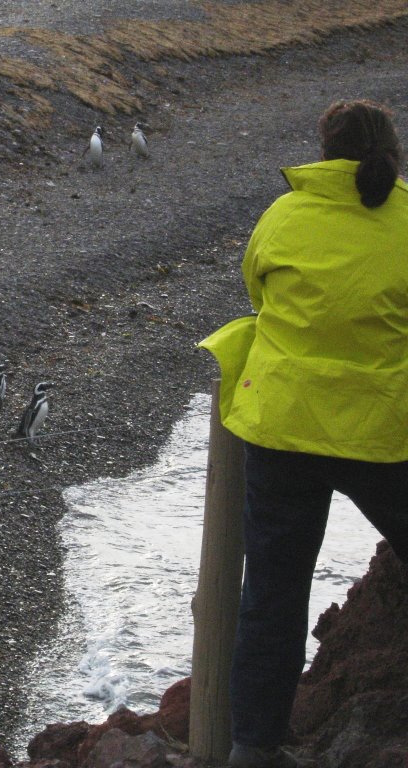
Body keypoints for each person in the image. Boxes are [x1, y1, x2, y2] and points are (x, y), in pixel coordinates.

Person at [199, 99, 408, 768]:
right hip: (382, 430)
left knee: (273, 596)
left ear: (323, 152)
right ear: (391, 153)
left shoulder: (283, 216)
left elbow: (258, 296)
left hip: (282, 428)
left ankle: (251, 748)